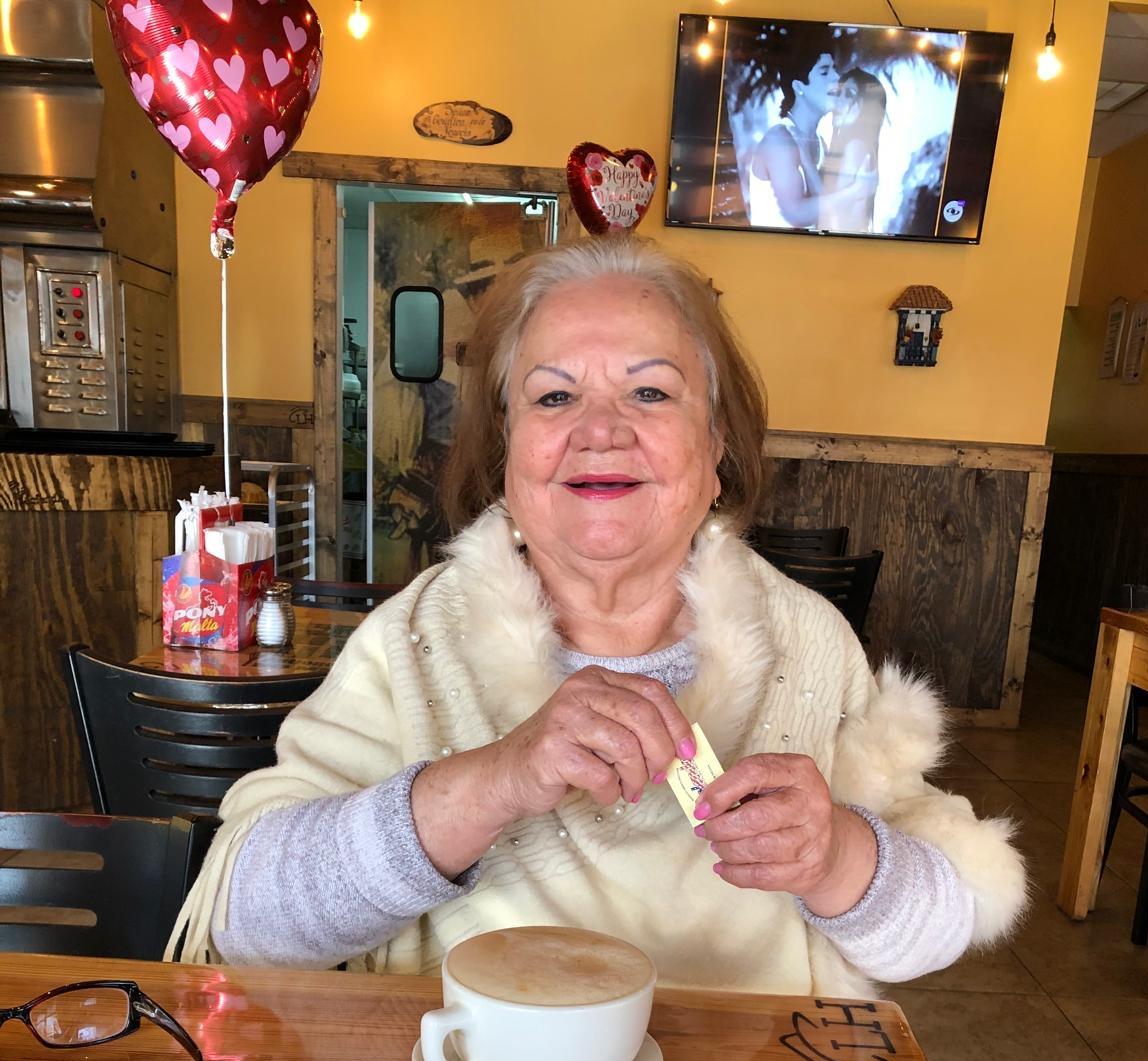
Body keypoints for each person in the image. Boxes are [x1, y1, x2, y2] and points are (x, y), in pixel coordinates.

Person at [170, 237, 1026, 996]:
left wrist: (838, 856)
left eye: (651, 393)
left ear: (716, 446)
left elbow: (941, 924)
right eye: (552, 398)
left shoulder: (803, 642)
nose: (601, 430)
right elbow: (246, 925)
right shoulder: (416, 640)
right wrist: (497, 778)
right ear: (507, 454)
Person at [744, 45, 877, 231]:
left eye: (834, 70)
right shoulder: (780, 139)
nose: (836, 78)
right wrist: (856, 191)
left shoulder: (820, 142)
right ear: (799, 86)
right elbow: (797, 214)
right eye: (824, 72)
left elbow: (825, 208)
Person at [821, 67, 887, 235]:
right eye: (839, 93)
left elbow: (837, 210)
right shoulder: (855, 144)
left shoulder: (856, 146)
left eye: (849, 94)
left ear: (862, 105)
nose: (839, 100)